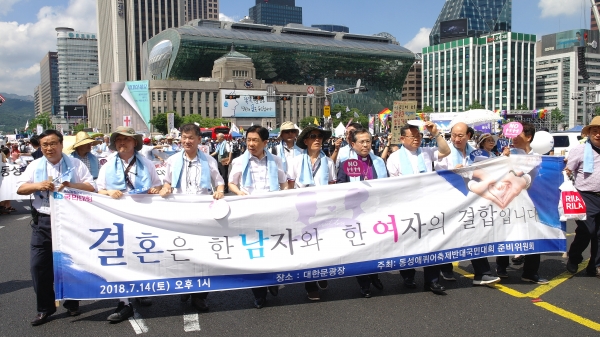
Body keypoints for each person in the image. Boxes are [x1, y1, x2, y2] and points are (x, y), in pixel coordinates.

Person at [16, 130, 95, 326]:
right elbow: (20, 188)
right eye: (45, 145)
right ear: (40, 147)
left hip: (70, 220)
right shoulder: (35, 166)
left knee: (70, 264)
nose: (49, 148)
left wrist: (71, 185)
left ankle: (71, 302)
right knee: (39, 266)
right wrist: (38, 185)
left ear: (61, 145)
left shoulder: (75, 164)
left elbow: (91, 186)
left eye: (53, 144)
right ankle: (45, 308)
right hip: (43, 220)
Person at [96, 126, 163, 322]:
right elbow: (98, 190)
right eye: (118, 140)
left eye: (126, 139)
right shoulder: (107, 165)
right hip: (117, 218)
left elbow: (157, 184)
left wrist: (153, 190)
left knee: (141, 254)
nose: (122, 143)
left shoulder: (147, 163)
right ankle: (123, 302)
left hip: (142, 216)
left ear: (135, 142)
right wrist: (109, 192)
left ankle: (141, 290)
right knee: (120, 256)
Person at [160, 124, 225, 311]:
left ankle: (200, 296)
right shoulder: (172, 160)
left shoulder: (208, 161)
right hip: (179, 214)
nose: (186, 141)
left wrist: (220, 192)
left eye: (190, 138)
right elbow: (167, 183)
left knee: (202, 256)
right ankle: (185, 286)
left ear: (199, 140)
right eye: (183, 137)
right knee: (182, 252)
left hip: (202, 214)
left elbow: (219, 183)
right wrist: (165, 189)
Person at [386, 122, 452, 294]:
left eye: (419, 136)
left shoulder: (426, 152)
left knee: (432, 242)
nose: (416, 139)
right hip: (406, 206)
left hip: (428, 204)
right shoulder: (394, 158)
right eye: (412, 136)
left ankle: (432, 280)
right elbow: (393, 185)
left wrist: (436, 133)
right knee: (409, 242)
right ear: (402, 138)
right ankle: (408, 275)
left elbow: (446, 151)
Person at [228, 125, 288, 308]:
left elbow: (284, 183)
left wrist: (283, 197)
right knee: (255, 252)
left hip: (271, 212)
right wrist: (239, 194)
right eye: (248, 140)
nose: (251, 144)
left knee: (273, 248)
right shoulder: (239, 161)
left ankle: (273, 281)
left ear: (265, 142)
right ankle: (259, 293)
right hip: (249, 213)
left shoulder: (276, 160)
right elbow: (231, 183)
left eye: (255, 140)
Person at [435, 123, 502, 286]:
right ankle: (445, 267)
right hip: (449, 199)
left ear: (469, 136)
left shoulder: (477, 153)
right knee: (447, 234)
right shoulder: (445, 151)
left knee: (474, 233)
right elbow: (437, 174)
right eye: (453, 135)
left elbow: (490, 171)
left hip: (472, 200)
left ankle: (482, 272)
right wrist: (453, 172)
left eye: (460, 135)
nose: (456, 139)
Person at [494, 122, 549, 284]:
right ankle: (501, 266)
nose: (513, 139)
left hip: (533, 202)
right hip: (510, 201)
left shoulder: (539, 157)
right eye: (512, 136)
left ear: (529, 137)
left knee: (534, 235)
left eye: (517, 136)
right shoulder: (509, 154)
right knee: (505, 232)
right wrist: (503, 159)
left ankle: (530, 272)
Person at [337, 127, 388, 298]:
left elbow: (387, 185)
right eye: (362, 142)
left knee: (376, 247)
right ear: (352, 144)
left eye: (368, 141)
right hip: (356, 213)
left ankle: (374, 275)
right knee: (360, 249)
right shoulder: (346, 162)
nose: (366, 145)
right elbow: (340, 187)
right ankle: (364, 284)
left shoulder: (379, 162)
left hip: (376, 211)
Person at [287, 124, 336, 300]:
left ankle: (321, 274)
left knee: (322, 245)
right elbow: (290, 187)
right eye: (314, 136)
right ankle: (310, 285)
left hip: (323, 209)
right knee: (307, 246)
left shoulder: (329, 162)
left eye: (320, 137)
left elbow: (332, 186)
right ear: (306, 141)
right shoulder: (295, 162)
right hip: (303, 209)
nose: (317, 140)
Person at [565, 116, 600, 278]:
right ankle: (574, 257)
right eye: (595, 131)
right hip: (585, 195)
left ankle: (595, 266)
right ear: (589, 133)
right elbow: (567, 170)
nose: (598, 134)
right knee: (587, 230)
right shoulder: (580, 150)